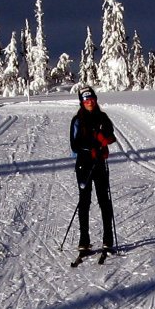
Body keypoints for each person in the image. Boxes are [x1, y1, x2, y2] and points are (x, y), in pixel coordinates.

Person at [69, 85, 116, 252]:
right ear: (81, 102)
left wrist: (105, 140)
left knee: (104, 200)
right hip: (84, 165)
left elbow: (112, 136)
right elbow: (74, 146)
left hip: (100, 164)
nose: (89, 102)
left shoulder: (102, 117)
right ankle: (84, 240)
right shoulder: (77, 120)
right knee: (84, 202)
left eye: (92, 99)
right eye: (86, 99)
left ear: (95, 99)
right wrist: (93, 146)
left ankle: (108, 239)